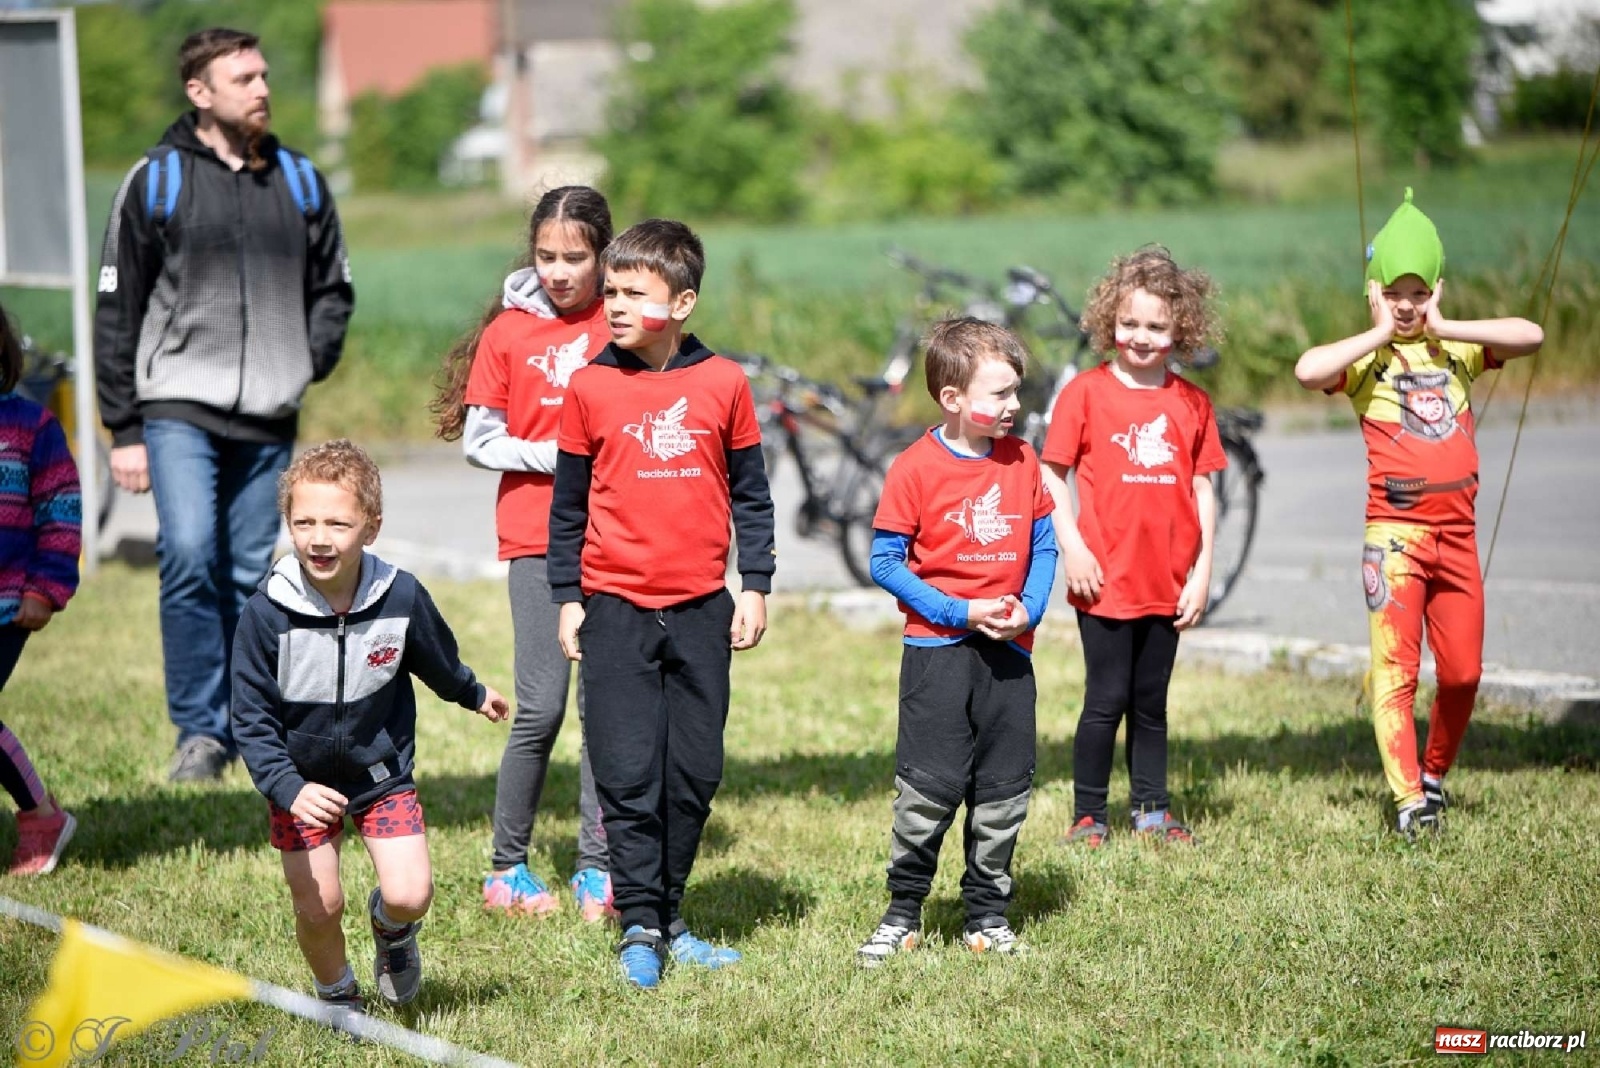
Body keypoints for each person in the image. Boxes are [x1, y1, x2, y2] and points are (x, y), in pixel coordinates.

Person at [94, 27, 355, 783]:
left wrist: (307, 362)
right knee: (187, 556)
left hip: (270, 413)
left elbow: (334, 288)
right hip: (176, 404)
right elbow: (118, 307)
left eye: (265, 75)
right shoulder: (156, 179)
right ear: (199, 92)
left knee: (250, 573)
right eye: (243, 78)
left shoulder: (301, 180)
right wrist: (125, 426)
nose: (263, 88)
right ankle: (199, 734)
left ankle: (251, 726)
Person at [548, 218, 776, 989]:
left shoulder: (725, 384)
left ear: (681, 303)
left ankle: (673, 915)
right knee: (625, 771)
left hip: (703, 610)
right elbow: (568, 509)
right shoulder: (588, 386)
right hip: (613, 608)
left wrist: (757, 584)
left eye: (632, 293)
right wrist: (567, 597)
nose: (612, 304)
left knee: (694, 772)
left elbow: (752, 496)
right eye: (608, 290)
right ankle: (640, 922)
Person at [1294, 189, 1543, 839]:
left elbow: (1531, 336)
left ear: (1436, 288)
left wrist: (1447, 326)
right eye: (1395, 293)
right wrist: (1378, 331)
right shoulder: (1368, 360)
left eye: (1419, 292)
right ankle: (1409, 803)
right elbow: (1306, 369)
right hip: (1395, 540)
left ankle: (1433, 774)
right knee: (1396, 671)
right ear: (1375, 292)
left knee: (1462, 674)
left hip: (1457, 537)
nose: (1408, 305)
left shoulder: (1455, 351)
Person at [230, 440, 509, 1013]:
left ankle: (392, 930)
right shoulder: (266, 612)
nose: (319, 537)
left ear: (371, 527)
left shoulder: (399, 596)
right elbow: (251, 720)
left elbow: (435, 658)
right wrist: (289, 789)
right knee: (319, 905)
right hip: (299, 784)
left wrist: (473, 692)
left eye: (337, 522)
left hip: (380, 772)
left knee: (411, 894)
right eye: (303, 521)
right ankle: (337, 995)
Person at [432, 186, 616, 922]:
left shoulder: (625, 317)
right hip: (538, 539)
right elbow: (482, 441)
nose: (560, 270)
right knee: (540, 709)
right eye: (546, 256)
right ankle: (507, 868)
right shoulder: (508, 333)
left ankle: (598, 870)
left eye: (576, 257)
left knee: (608, 710)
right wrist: (566, 457)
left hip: (619, 539)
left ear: (604, 253)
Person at [854, 317, 1057, 967]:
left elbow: (1046, 543)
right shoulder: (914, 469)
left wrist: (1028, 611)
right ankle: (903, 912)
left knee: (1004, 787)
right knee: (929, 787)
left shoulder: (1022, 459)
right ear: (952, 399)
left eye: (1015, 391)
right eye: (999, 394)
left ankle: (986, 916)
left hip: (1009, 654)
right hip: (937, 654)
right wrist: (957, 610)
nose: (1013, 406)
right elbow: (885, 562)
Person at [1040, 246, 1225, 848]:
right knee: (1106, 698)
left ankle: (1152, 809)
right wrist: (1073, 547)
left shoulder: (1192, 403)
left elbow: (1204, 490)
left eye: (1156, 327)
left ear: (1180, 330)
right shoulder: (1085, 395)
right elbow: (1051, 475)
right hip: (1103, 576)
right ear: (1108, 322)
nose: (1140, 337)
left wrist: (1201, 573)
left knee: (1152, 701)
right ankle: (1089, 814)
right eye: (1129, 324)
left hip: (1168, 580)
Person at [0, 303, 82, 876]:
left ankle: (40, 817)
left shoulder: (31, 428)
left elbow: (60, 511)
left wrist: (46, 587)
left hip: (8, 602)